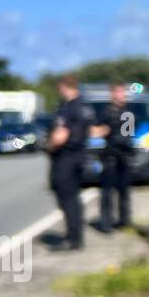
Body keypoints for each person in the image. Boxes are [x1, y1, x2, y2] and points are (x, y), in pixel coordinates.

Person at [46, 75, 93, 251]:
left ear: (65, 87)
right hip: (79, 157)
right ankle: (76, 236)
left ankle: (73, 238)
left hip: (65, 158)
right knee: (74, 198)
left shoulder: (67, 108)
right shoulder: (85, 107)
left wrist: (49, 147)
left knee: (66, 198)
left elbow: (60, 136)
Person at [91, 82, 134, 233]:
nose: (122, 96)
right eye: (119, 93)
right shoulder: (106, 112)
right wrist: (103, 130)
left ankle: (124, 220)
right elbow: (94, 130)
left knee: (124, 191)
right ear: (113, 95)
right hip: (110, 156)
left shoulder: (128, 113)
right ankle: (106, 222)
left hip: (124, 155)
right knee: (107, 192)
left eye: (124, 93)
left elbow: (128, 134)